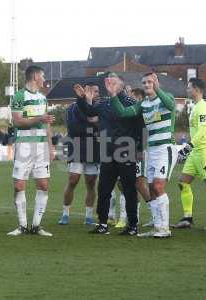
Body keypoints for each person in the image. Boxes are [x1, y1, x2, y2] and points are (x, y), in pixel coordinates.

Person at [111, 73, 178, 238]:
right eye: (145, 82)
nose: (147, 84)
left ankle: (164, 229)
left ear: (156, 82)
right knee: (152, 190)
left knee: (158, 186)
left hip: (165, 148)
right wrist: (113, 95)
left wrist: (157, 88)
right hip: (152, 151)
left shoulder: (166, 97)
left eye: (151, 81)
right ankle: (157, 227)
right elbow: (124, 113)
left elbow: (171, 106)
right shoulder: (143, 104)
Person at [75, 73, 140, 236]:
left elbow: (140, 127)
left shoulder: (131, 103)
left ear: (122, 85)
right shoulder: (104, 103)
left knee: (129, 189)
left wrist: (139, 149)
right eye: (108, 82)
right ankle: (102, 224)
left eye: (113, 81)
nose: (109, 83)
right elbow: (89, 112)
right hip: (107, 152)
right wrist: (82, 99)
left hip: (126, 151)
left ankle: (132, 225)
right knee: (103, 189)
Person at [7, 65, 55, 237]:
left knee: (43, 184)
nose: (44, 79)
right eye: (42, 76)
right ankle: (22, 225)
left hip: (41, 147)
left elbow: (47, 124)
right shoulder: (19, 96)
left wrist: (51, 147)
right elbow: (18, 121)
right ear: (35, 76)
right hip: (24, 147)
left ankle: (36, 225)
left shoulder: (43, 98)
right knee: (19, 185)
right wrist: (39, 118)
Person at [58, 84, 100, 226]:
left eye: (97, 92)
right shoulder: (72, 108)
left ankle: (88, 216)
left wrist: (94, 126)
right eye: (93, 91)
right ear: (85, 92)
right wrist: (92, 125)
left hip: (93, 147)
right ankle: (65, 213)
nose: (96, 94)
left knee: (91, 182)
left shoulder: (99, 107)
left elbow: (101, 126)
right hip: (76, 146)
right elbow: (74, 128)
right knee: (73, 180)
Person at [173, 78, 206, 229]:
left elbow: (203, 130)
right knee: (183, 182)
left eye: (189, 87)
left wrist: (190, 145)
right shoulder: (194, 106)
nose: (187, 90)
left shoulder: (203, 107)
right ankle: (187, 218)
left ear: (197, 89)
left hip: (203, 152)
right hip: (194, 153)